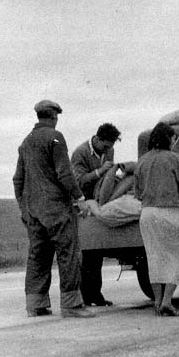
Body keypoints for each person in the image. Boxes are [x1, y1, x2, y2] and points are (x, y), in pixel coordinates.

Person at [12, 100, 95, 318]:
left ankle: (35, 304)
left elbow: (17, 180)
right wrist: (80, 197)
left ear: (38, 116)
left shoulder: (26, 142)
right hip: (57, 209)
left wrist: (24, 209)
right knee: (68, 254)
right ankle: (71, 305)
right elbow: (65, 173)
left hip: (34, 211)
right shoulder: (55, 137)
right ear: (54, 117)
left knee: (38, 255)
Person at [134, 122, 179, 316]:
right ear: (168, 139)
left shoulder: (142, 161)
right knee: (177, 258)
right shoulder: (173, 158)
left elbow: (137, 193)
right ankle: (167, 301)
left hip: (147, 214)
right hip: (170, 212)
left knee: (155, 259)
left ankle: (158, 301)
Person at [71, 123, 121, 306]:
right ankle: (85, 295)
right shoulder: (80, 153)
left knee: (97, 252)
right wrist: (100, 171)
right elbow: (77, 181)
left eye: (111, 147)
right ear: (98, 139)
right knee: (87, 252)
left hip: (99, 204)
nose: (109, 150)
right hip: (84, 205)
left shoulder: (109, 150)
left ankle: (95, 294)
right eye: (106, 146)